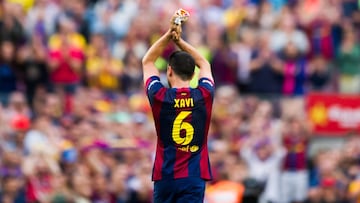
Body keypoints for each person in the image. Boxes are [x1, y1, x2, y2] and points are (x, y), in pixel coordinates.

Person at [142, 10, 215, 203]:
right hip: (194, 176)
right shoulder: (204, 94)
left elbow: (148, 61)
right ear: (193, 75)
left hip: (165, 177)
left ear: (169, 71)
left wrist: (169, 35)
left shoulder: (160, 96)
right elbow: (204, 63)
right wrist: (180, 42)